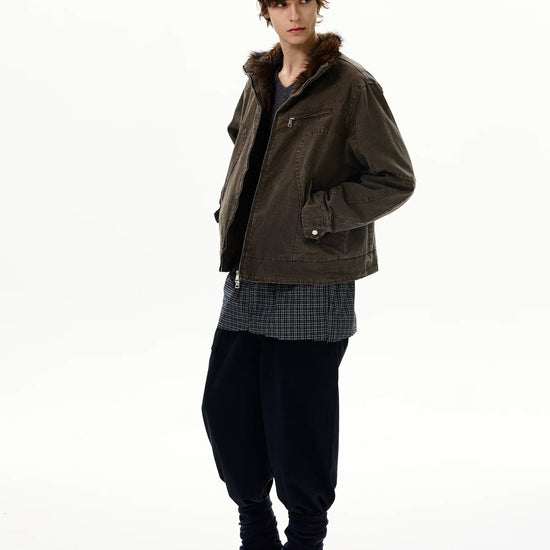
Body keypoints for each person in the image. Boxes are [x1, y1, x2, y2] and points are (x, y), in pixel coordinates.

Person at [201, 1, 416, 548]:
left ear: (320, 6)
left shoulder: (351, 86)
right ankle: (255, 530)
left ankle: (305, 538)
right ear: (265, 11)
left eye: (304, 0)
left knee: (297, 423)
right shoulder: (259, 79)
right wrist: (231, 212)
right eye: (280, 2)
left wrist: (315, 216)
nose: (294, 12)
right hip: (249, 272)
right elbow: (244, 145)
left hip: (313, 277)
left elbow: (393, 178)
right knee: (226, 410)